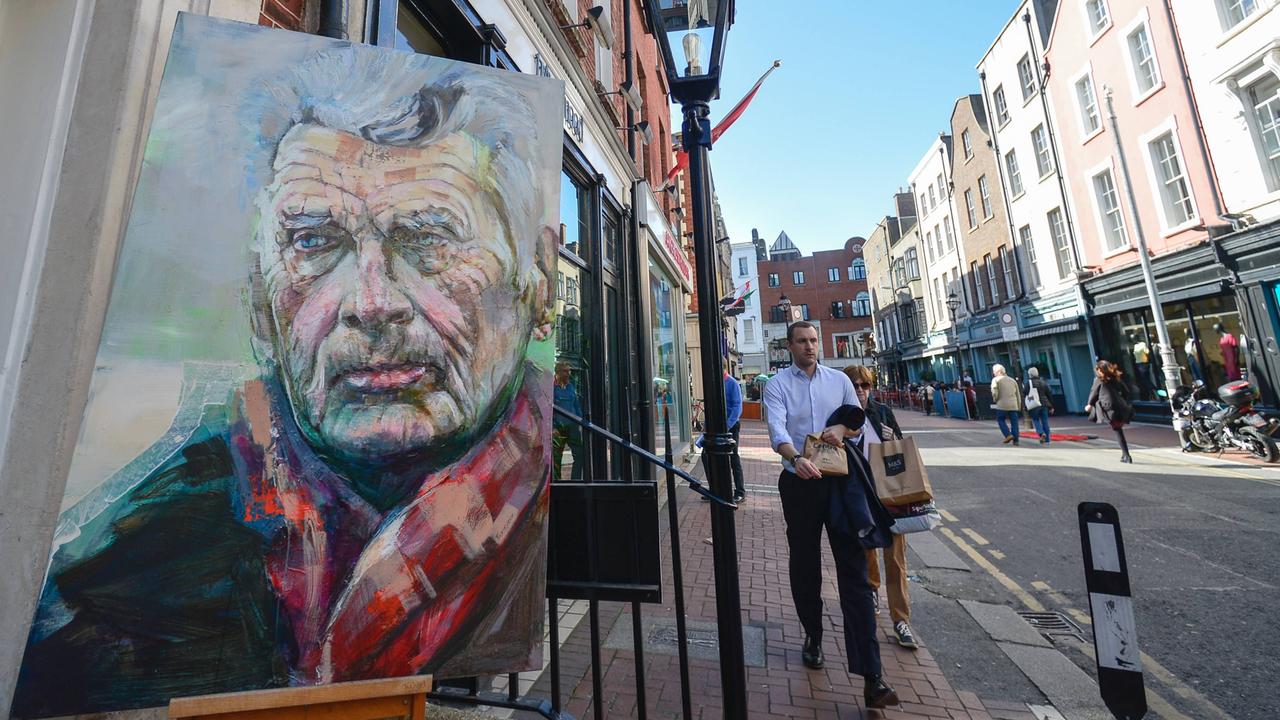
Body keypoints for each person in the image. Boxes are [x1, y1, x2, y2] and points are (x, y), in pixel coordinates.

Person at [14, 48, 560, 717]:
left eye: (429, 240)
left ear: (539, 279)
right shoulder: (120, 568)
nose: (370, 302)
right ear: (256, 297)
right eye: (312, 243)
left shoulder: (529, 508)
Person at [763, 322, 899, 709]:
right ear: (789, 346)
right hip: (800, 482)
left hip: (842, 486)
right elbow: (776, 429)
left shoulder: (838, 379)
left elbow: (857, 419)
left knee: (854, 574)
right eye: (802, 341)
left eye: (813, 341)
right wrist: (795, 458)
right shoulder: (777, 385)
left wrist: (839, 426)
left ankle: (872, 675)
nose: (809, 347)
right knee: (804, 564)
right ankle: (813, 634)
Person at [843, 366, 919, 650]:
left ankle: (901, 620)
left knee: (896, 560)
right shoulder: (842, 416)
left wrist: (892, 439)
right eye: (855, 385)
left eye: (865, 385)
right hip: (861, 496)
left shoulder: (883, 412)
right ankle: (872, 591)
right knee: (866, 552)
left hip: (890, 496)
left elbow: (902, 452)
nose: (861, 390)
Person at [700, 370, 747, 503]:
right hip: (715, 427)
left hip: (730, 426)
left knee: (733, 457)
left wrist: (727, 425)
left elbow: (737, 407)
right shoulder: (714, 384)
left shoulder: (732, 383)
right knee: (706, 456)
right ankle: (714, 489)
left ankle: (740, 491)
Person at [1086, 360, 1135, 463]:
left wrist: (1089, 404)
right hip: (1120, 407)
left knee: (1118, 430)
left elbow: (1094, 392)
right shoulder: (1116, 378)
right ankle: (1124, 455)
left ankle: (1126, 455)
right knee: (1118, 430)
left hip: (1108, 408)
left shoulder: (1099, 380)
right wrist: (1122, 400)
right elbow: (1126, 391)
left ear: (1100, 370)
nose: (1097, 372)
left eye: (1098, 370)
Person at [553, 361, 584, 479]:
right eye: (565, 371)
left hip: (572, 426)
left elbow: (576, 405)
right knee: (556, 458)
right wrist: (552, 427)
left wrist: (580, 423)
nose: (568, 373)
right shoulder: (553, 388)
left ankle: (575, 481)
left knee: (580, 454)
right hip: (558, 428)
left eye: (569, 371)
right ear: (558, 372)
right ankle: (558, 485)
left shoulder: (571, 386)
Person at [991, 364, 1021, 445]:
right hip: (1013, 404)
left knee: (1001, 419)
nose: (993, 373)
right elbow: (1017, 394)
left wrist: (995, 399)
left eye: (994, 371)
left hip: (1002, 404)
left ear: (999, 371)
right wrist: (1019, 405)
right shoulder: (1012, 380)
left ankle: (1008, 434)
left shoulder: (996, 380)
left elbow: (994, 392)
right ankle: (1016, 440)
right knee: (1014, 422)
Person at [1025, 367, 1054, 444]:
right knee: (1045, 421)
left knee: (1035, 419)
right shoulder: (1043, 382)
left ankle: (1041, 433)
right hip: (1044, 404)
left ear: (1030, 375)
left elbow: (1025, 393)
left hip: (1035, 404)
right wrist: (1051, 406)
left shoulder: (1029, 383)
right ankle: (1047, 439)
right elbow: (1049, 394)